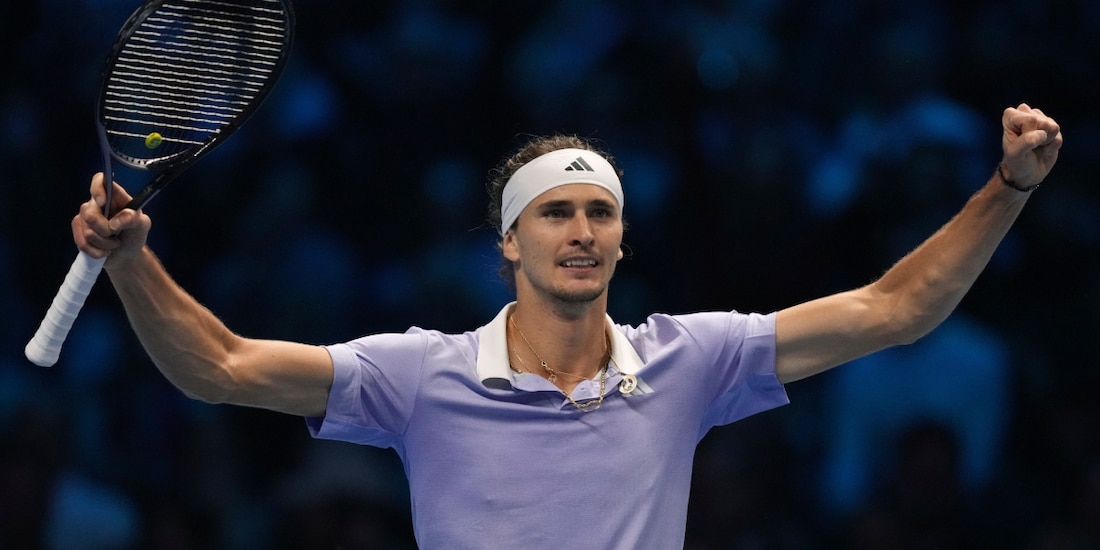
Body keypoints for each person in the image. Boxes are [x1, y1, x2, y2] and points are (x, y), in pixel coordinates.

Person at [71, 103, 1061, 548]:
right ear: (508, 242)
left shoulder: (691, 360)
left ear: (621, 242)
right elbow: (220, 364)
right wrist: (131, 259)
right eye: (555, 211)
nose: (581, 230)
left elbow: (894, 308)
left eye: (600, 213)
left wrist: (1005, 189)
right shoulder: (418, 374)